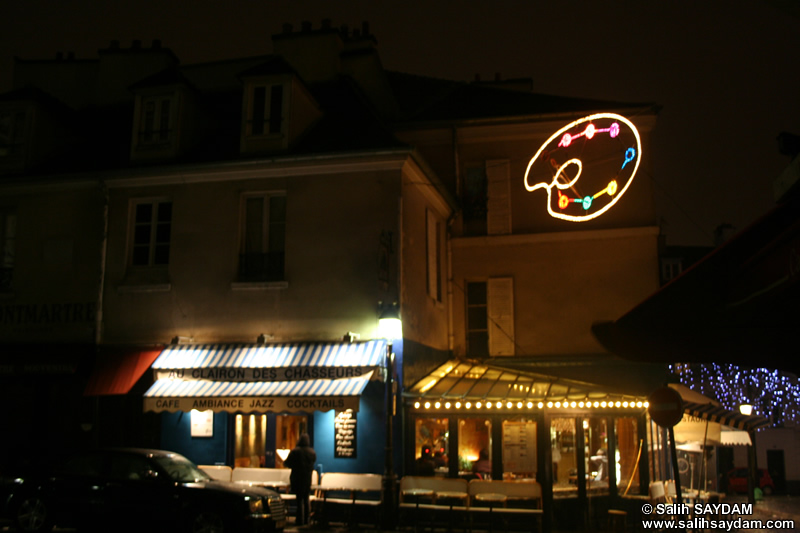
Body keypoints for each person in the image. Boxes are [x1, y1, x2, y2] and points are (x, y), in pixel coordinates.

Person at [284, 433, 317, 526]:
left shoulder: (295, 451)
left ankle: (299, 520)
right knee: (306, 499)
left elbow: (287, 463)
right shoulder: (312, 452)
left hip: (297, 478)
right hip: (307, 479)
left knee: (299, 500)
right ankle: (307, 519)